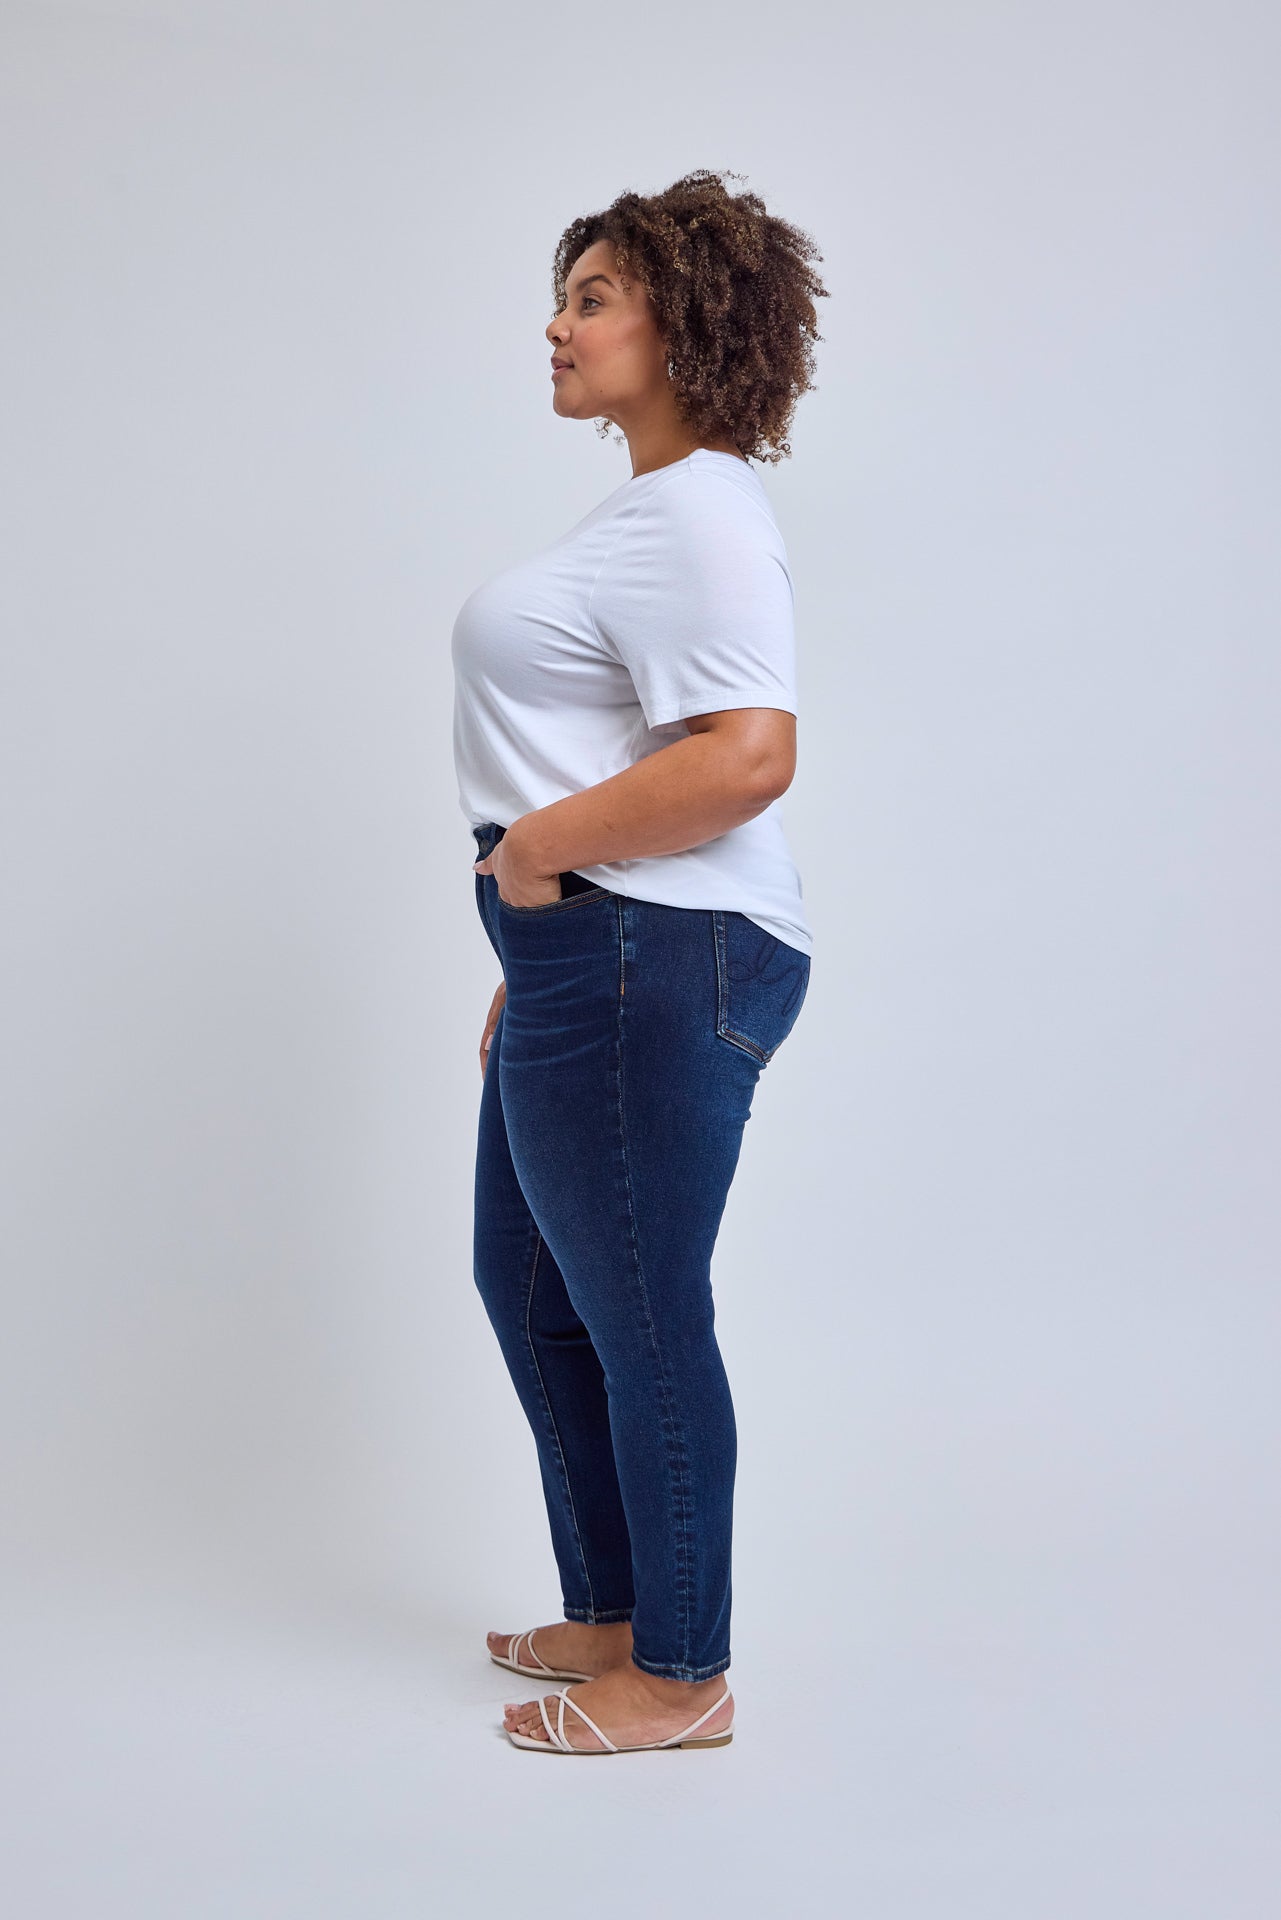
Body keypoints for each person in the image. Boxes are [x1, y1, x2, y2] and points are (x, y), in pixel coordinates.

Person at [450, 167, 828, 1754]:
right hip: (592, 952)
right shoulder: (647, 511)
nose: (557, 324)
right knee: (531, 1282)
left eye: (593, 298)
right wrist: (530, 939)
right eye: (565, 296)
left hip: (643, 950)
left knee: (639, 1309)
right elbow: (624, 739)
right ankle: (612, 1614)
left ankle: (679, 1676)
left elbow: (747, 755)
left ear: (683, 325)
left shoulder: (699, 511)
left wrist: (541, 860)